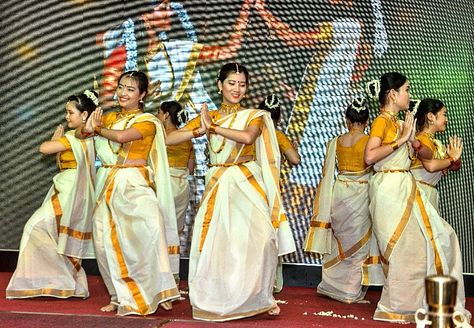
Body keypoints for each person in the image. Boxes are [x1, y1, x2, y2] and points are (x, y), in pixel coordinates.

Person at [166, 62, 286, 321]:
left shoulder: (254, 115)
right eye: (232, 83)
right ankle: (221, 297)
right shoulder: (210, 117)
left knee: (262, 239)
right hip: (219, 182)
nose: (237, 89)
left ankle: (258, 296)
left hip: (247, 181)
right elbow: (169, 139)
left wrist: (214, 128)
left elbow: (247, 138)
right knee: (220, 243)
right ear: (220, 85)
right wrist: (199, 129)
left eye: (242, 84)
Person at [364, 73, 466, 323]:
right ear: (393, 95)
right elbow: (369, 157)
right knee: (405, 248)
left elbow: (426, 154)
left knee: (429, 244)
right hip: (389, 188)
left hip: (403, 186)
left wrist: (417, 144)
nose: (409, 95)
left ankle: (411, 305)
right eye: (406, 90)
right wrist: (401, 140)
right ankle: (398, 305)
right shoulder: (382, 122)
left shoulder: (401, 123)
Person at [78, 71, 180, 315]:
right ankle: (117, 296)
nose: (123, 93)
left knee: (149, 234)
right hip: (108, 184)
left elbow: (123, 137)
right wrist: (89, 127)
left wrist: (97, 128)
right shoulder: (110, 117)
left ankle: (154, 290)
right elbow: (83, 133)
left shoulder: (147, 121)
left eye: (131, 89)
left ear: (142, 95)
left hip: (134, 184)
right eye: (121, 87)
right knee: (105, 244)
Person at [6, 90, 97, 299]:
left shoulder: (78, 135)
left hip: (71, 191)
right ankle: (61, 283)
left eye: (70, 112)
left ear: (84, 115)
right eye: (66, 112)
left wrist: (55, 139)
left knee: (34, 227)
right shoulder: (80, 136)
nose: (66, 117)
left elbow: (44, 148)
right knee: (54, 238)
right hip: (68, 188)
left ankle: (53, 281)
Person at [304, 98, 383, 304]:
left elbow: (327, 172)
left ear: (347, 119)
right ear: (367, 121)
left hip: (339, 191)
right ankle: (350, 292)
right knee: (359, 244)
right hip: (360, 191)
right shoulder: (370, 142)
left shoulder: (336, 141)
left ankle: (332, 286)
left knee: (340, 239)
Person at [411, 98, 470, 320]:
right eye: (443, 114)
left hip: (429, 196)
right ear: (430, 116)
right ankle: (434, 302)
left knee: (428, 250)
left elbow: (451, 166)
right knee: (443, 243)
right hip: (418, 195)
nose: (446, 119)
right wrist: (450, 159)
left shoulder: (434, 142)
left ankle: (425, 301)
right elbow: (432, 165)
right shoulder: (420, 140)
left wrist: (454, 159)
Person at [258, 94, 298, 293]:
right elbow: (295, 159)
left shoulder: (252, 133)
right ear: (279, 117)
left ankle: (254, 281)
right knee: (271, 234)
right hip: (271, 191)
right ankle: (272, 282)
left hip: (252, 187)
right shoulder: (278, 135)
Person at [157, 100, 194, 238]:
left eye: (159, 113)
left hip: (163, 185)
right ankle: (172, 259)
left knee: (158, 229)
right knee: (173, 233)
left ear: (166, 115)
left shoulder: (159, 136)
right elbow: (190, 167)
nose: (157, 116)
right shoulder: (187, 139)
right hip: (181, 186)